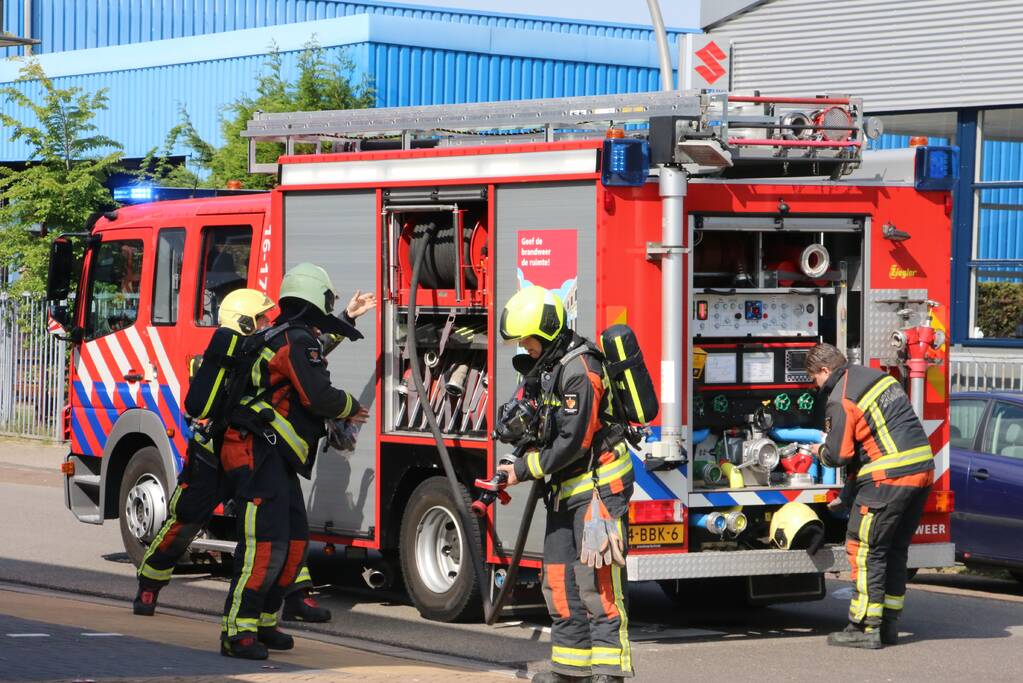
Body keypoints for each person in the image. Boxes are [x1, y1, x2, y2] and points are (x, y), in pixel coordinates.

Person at [134, 286, 374, 623]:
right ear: (246, 322)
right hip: (213, 456)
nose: (268, 321)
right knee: (186, 522)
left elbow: (305, 354)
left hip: (251, 450)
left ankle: (294, 597)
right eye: (262, 317)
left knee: (286, 523)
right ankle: (149, 584)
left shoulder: (261, 346)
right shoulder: (226, 355)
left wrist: (344, 319)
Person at [220, 263, 370, 660]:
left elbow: (311, 357)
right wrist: (351, 407)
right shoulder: (294, 340)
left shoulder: (285, 336)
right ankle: (238, 631)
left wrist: (346, 320)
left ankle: (266, 623)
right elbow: (318, 395)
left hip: (272, 456)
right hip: (256, 455)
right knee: (263, 546)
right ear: (315, 298)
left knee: (294, 540)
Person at [496, 286, 634, 683]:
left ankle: (610, 673)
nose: (526, 347)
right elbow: (541, 427)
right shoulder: (548, 368)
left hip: (598, 492)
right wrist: (513, 459)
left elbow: (573, 442)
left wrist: (522, 471)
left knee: (598, 585)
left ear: (550, 330)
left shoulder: (581, 370)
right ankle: (570, 671)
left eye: (529, 340)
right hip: (563, 491)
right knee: (558, 580)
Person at [806, 343, 933, 649]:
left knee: (864, 550)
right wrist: (848, 495)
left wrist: (817, 451)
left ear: (825, 370)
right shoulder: (877, 379)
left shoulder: (840, 399)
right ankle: (888, 625)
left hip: (886, 479)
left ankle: (864, 627)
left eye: (814, 379)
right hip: (922, 472)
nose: (815, 386)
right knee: (894, 550)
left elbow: (840, 454)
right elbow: (866, 449)